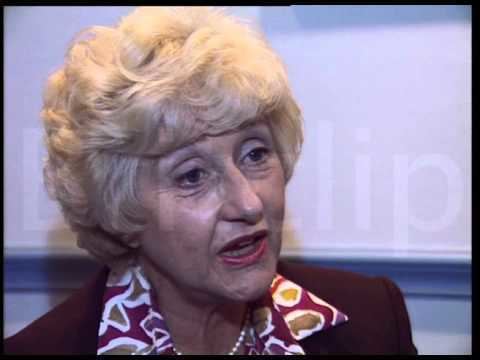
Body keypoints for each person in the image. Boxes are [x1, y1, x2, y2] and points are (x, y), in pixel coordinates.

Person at [4, 7, 417, 355]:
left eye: (255, 154)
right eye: (192, 176)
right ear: (120, 210)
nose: (249, 203)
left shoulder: (374, 322)